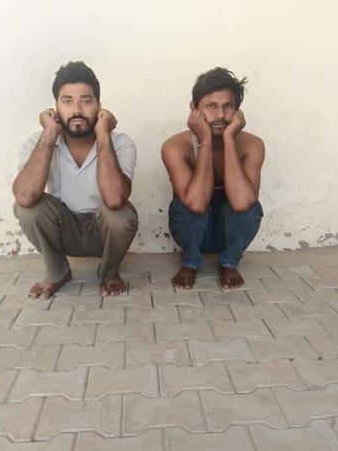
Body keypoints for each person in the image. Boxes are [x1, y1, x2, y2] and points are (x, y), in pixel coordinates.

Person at [13, 61, 138, 299]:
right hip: (63, 228)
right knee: (27, 208)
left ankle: (109, 272)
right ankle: (57, 273)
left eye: (86, 101)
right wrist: (50, 134)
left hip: (102, 231)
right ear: (55, 108)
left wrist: (103, 134)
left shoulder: (120, 143)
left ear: (99, 107)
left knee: (121, 214)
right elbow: (25, 196)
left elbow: (114, 199)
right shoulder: (37, 143)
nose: (77, 110)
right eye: (67, 101)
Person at [161, 67, 264, 289]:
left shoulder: (252, 145)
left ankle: (229, 262)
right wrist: (205, 140)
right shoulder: (175, 146)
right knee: (186, 202)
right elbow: (196, 203)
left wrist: (229, 140)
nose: (220, 115)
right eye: (211, 106)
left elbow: (242, 203)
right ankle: (191, 261)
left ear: (237, 111)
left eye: (228, 106)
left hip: (229, 231)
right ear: (194, 109)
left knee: (251, 205)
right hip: (194, 230)